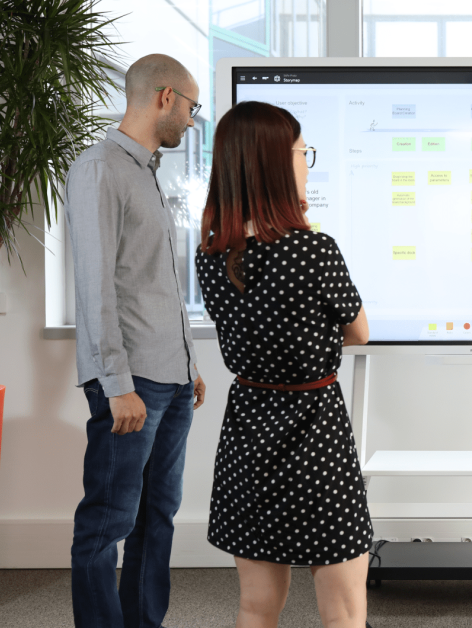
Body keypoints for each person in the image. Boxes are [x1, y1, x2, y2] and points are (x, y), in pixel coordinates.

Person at [195, 100, 373, 628]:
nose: (305, 162)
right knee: (341, 608)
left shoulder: (210, 253)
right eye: (302, 151)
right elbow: (359, 332)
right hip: (315, 428)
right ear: (275, 163)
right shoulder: (314, 249)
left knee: (255, 604)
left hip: (248, 426)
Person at [65, 54, 207, 627]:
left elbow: (153, 283)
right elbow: (96, 285)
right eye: (192, 109)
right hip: (132, 385)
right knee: (107, 522)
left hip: (170, 380)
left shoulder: (146, 172)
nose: (193, 122)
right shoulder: (100, 168)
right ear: (165, 97)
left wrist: (188, 362)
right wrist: (116, 384)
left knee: (158, 517)